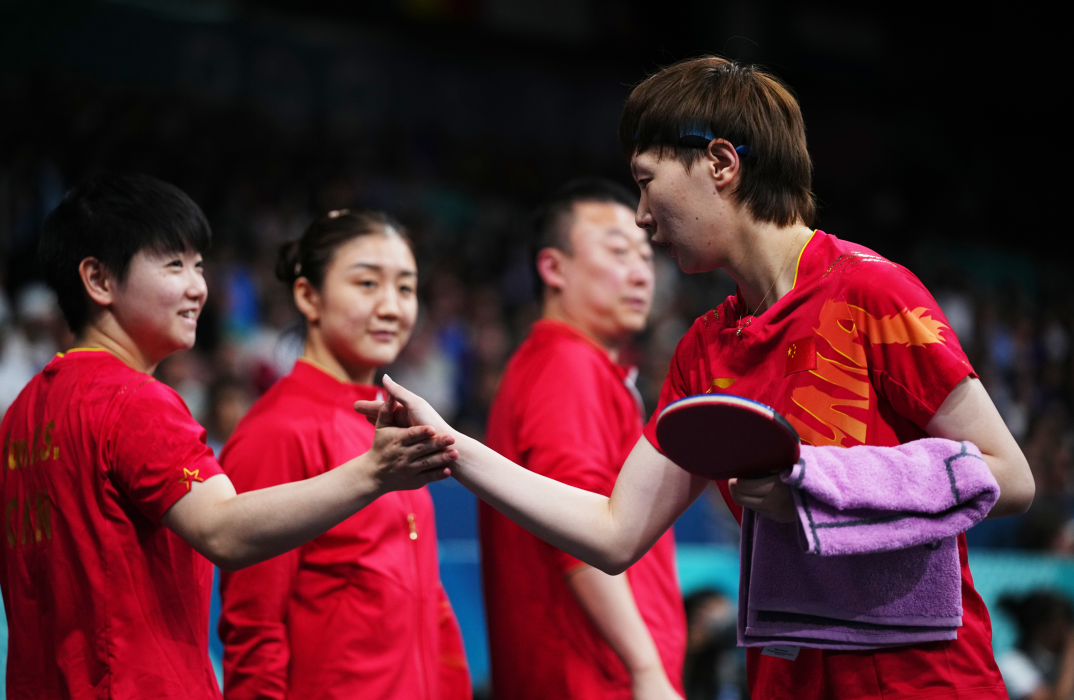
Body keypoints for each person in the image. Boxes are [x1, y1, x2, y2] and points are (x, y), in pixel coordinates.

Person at [356, 56, 1037, 700]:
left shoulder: (875, 294)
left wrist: (816, 483)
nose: (644, 218)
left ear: (719, 163)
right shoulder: (704, 350)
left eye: (647, 181)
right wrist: (450, 447)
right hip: (784, 679)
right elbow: (614, 531)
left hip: (924, 681)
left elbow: (1010, 475)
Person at [0, 174, 457, 699]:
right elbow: (224, 533)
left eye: (198, 265)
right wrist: (373, 471)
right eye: (174, 264)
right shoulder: (135, 401)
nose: (198, 286)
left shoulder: (24, 412)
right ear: (99, 281)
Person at [218, 209, 471, 700]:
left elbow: (429, 605)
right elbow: (254, 629)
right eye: (367, 283)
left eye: (405, 287)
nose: (392, 307)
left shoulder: (394, 422)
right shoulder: (276, 433)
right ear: (308, 296)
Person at [480, 179, 685, 700]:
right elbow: (583, 539)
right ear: (553, 268)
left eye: (645, 254)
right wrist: (645, 669)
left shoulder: (562, 364)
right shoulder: (568, 367)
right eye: (617, 252)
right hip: (595, 679)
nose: (642, 272)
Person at [996, 591, 1074, 700]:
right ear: (1039, 628)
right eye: (1060, 628)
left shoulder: (1055, 661)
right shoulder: (1011, 664)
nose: (1066, 635)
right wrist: (1070, 654)